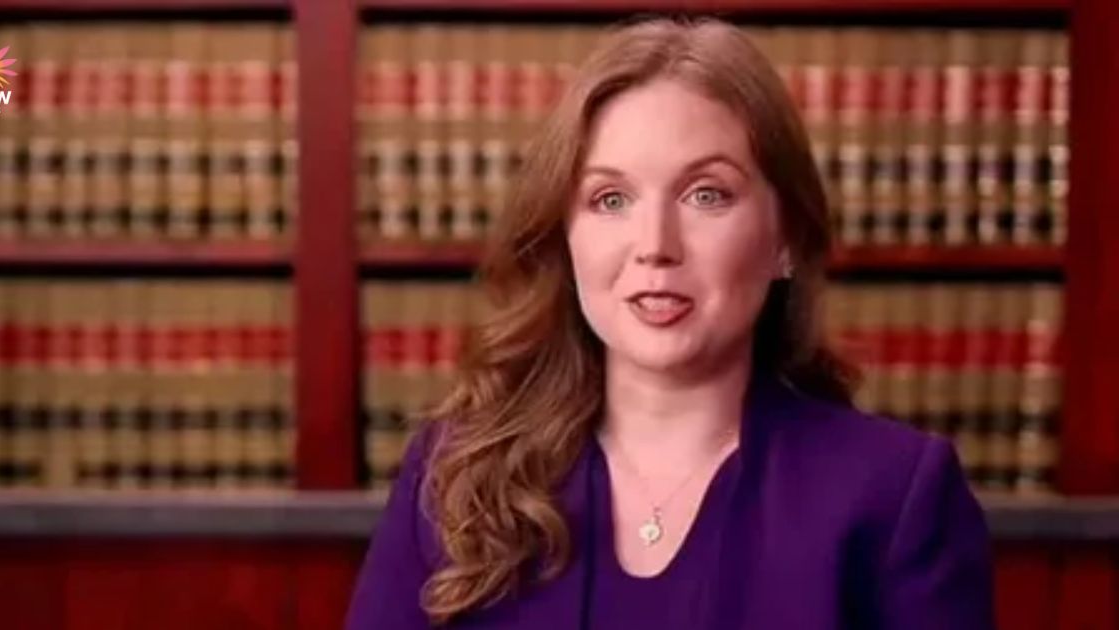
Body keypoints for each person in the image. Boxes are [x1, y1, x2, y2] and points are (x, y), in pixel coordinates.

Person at [346, 17, 995, 630]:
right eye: (611, 199)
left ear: (786, 239)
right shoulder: (456, 476)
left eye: (706, 195)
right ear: (565, 237)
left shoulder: (894, 495)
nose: (655, 245)